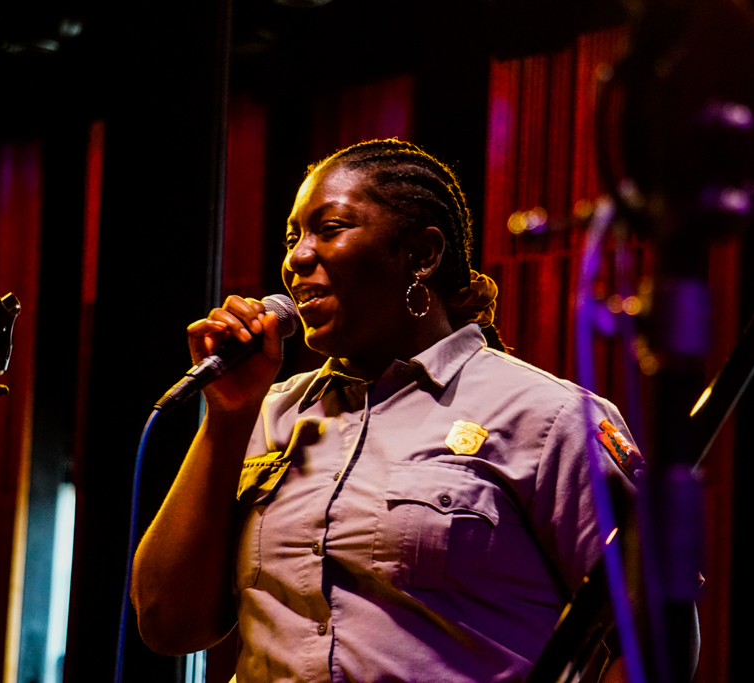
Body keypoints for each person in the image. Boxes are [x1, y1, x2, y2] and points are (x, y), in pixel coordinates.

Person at [130, 139, 641, 682]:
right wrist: (228, 420)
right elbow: (168, 625)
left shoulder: (548, 418)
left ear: (421, 254)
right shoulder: (266, 414)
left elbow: (655, 637)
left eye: (330, 229)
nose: (297, 257)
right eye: (293, 237)